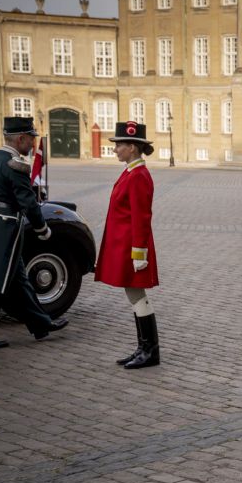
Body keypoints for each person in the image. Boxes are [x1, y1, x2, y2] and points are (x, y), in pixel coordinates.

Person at [0, 117, 68, 347]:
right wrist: (43, 229)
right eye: (31, 138)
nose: (33, 143)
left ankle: (41, 324)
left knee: (18, 279)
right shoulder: (16, 165)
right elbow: (29, 202)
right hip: (6, 226)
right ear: (20, 138)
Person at [95, 121, 160, 369]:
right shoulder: (131, 172)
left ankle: (150, 351)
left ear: (132, 147)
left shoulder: (139, 176)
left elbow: (141, 218)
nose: (115, 149)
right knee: (133, 295)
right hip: (123, 246)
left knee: (136, 294)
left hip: (132, 248)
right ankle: (144, 348)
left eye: (119, 145)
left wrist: (139, 253)